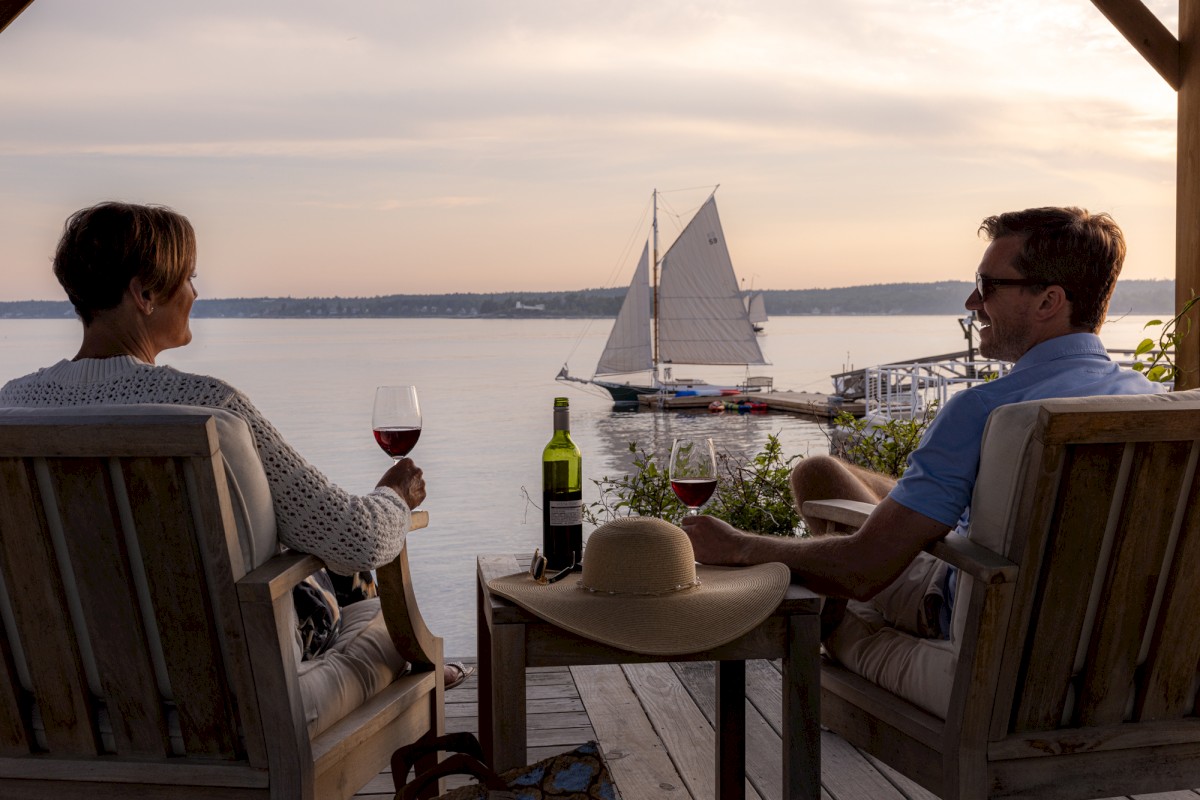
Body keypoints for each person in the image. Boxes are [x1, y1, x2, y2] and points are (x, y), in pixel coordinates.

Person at [0, 201, 472, 690]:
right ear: (143, 293)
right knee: (351, 576)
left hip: (65, 682)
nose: (195, 294)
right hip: (215, 686)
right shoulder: (208, 404)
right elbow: (356, 540)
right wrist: (394, 497)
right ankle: (434, 678)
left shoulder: (11, 405)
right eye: (187, 278)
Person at [681, 206, 1163, 639]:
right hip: (1115, 628)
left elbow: (862, 571)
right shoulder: (1152, 402)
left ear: (1047, 302)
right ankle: (918, 510)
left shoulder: (987, 412)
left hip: (984, 607)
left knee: (818, 488)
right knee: (825, 473)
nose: (973, 303)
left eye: (989, 286)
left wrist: (738, 546)